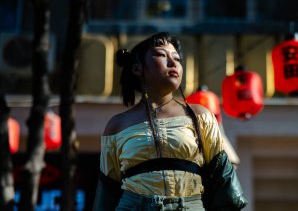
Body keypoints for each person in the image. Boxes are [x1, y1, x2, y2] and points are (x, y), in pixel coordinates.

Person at [93, 32, 224, 210]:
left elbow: (222, 177)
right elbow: (107, 190)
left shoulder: (200, 115)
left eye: (177, 58)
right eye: (161, 55)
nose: (173, 62)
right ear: (137, 69)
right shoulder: (117, 125)